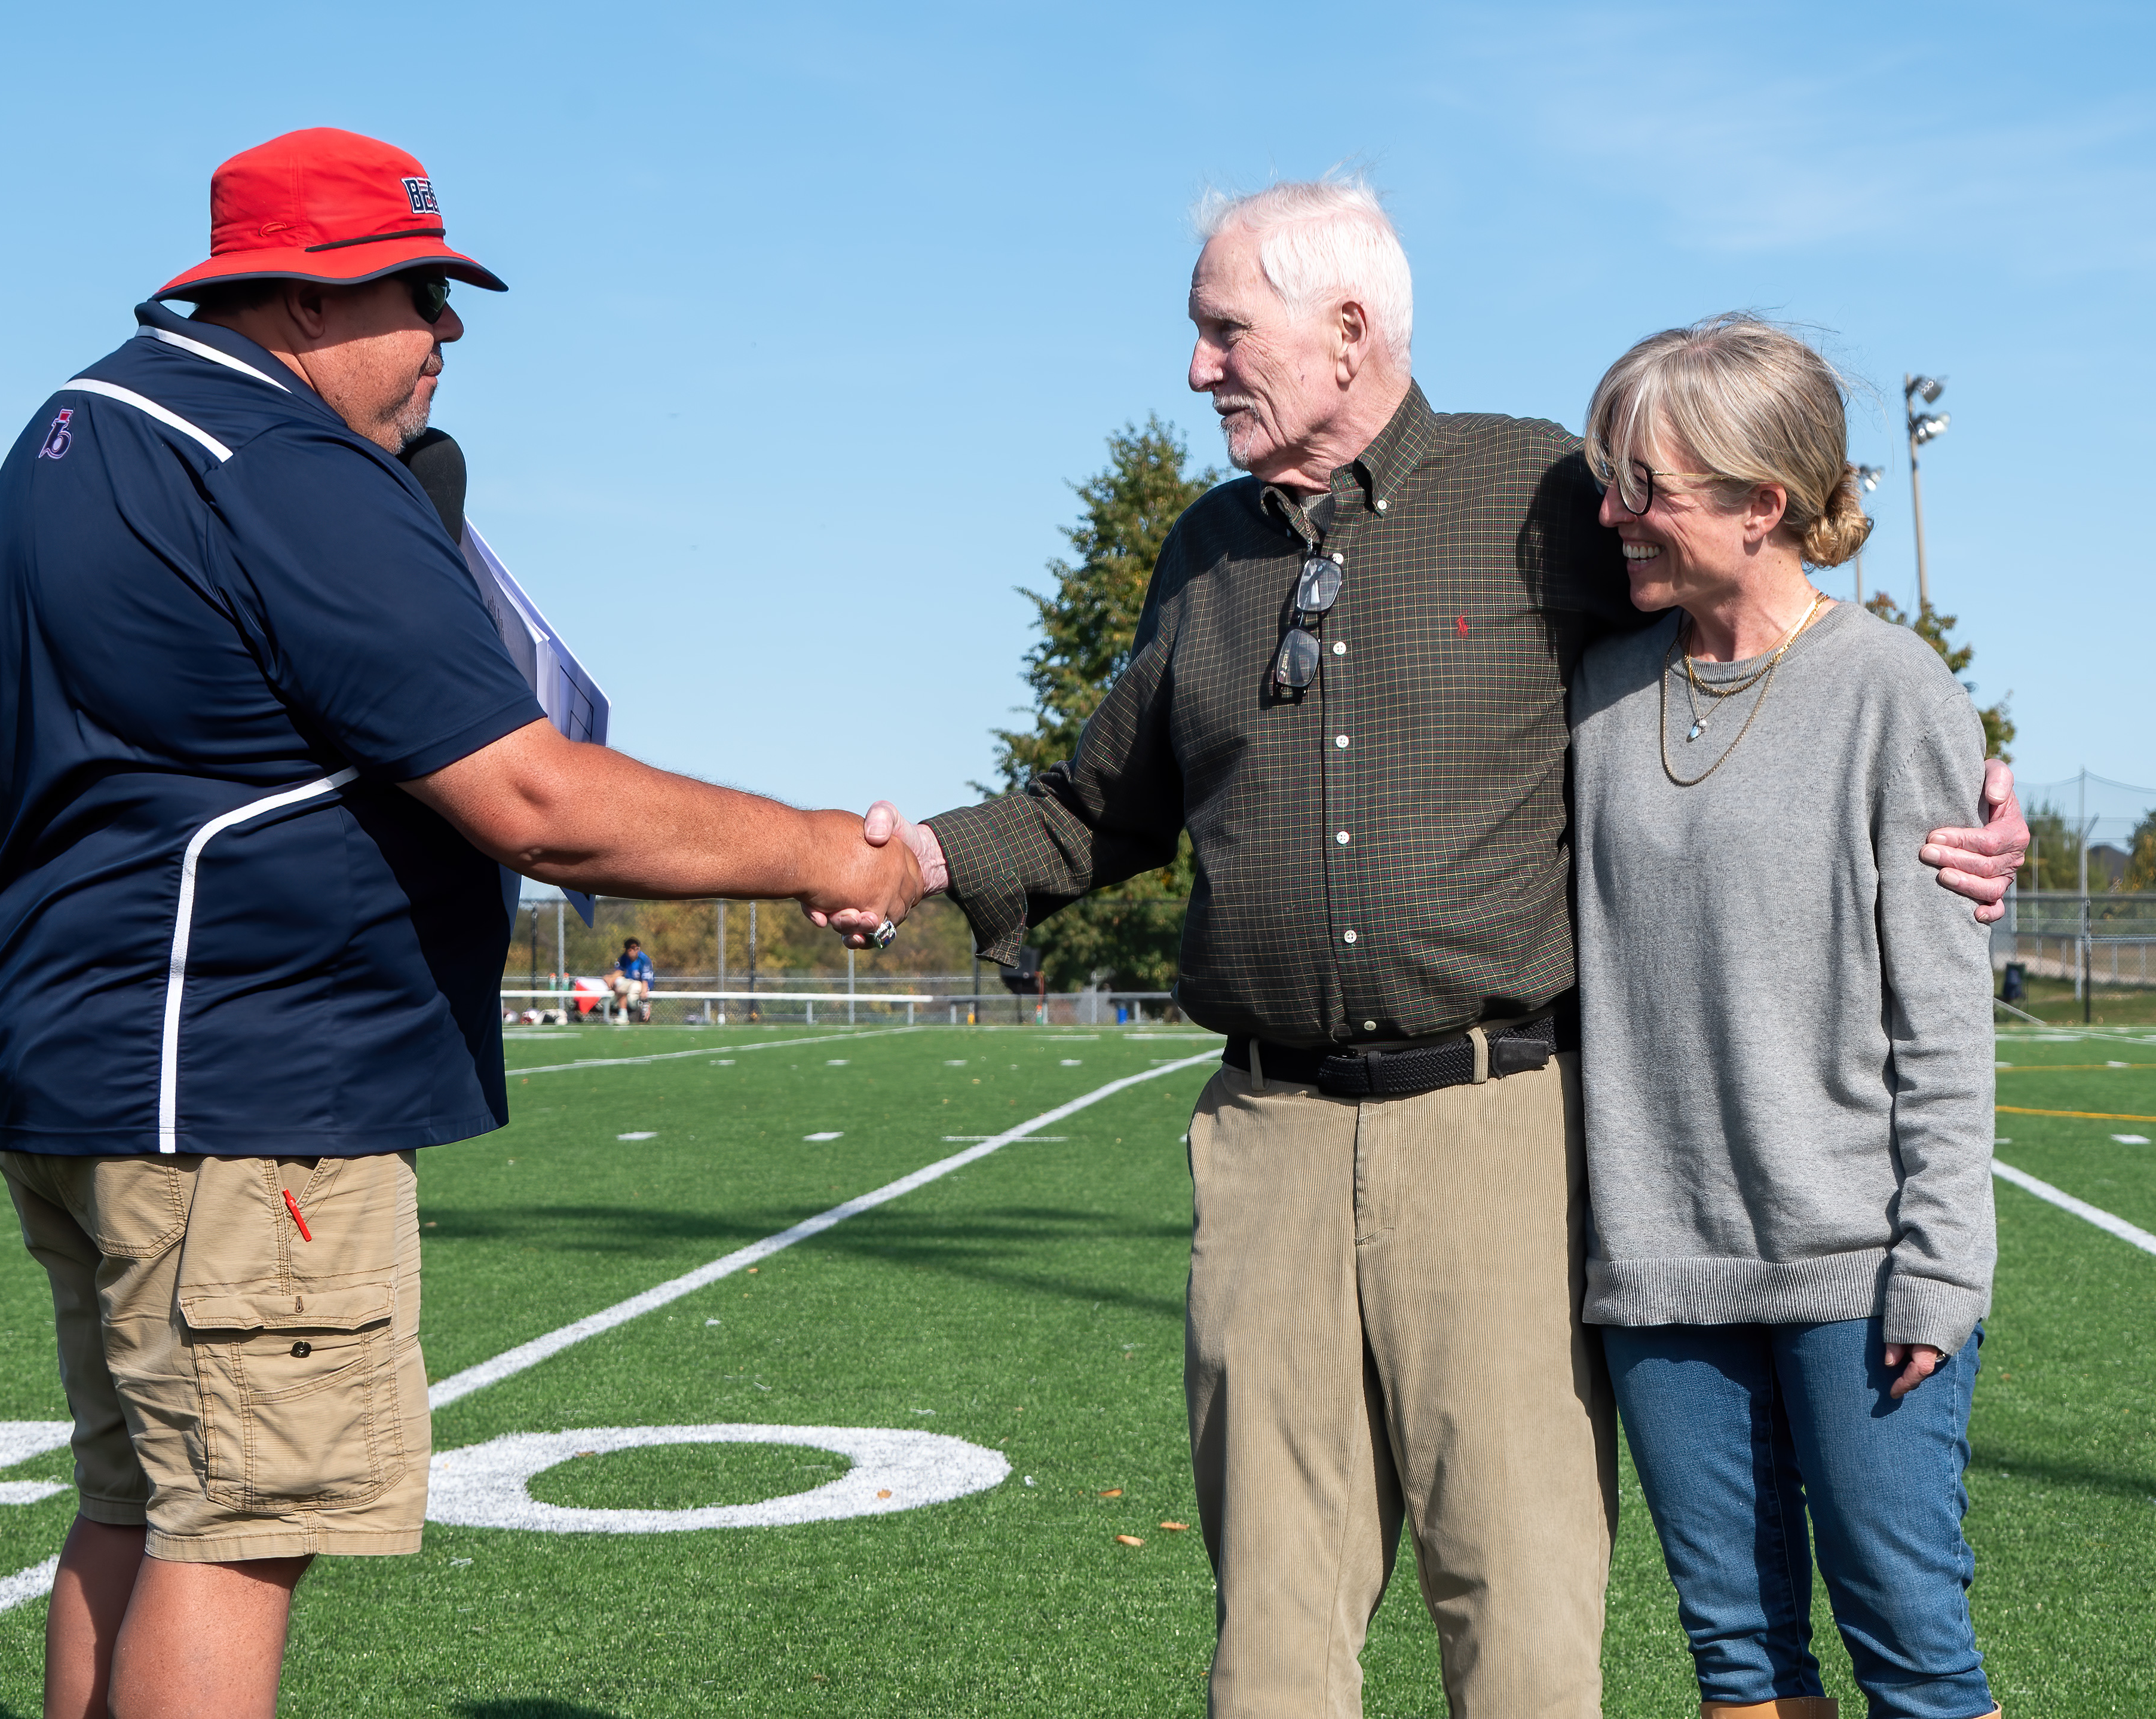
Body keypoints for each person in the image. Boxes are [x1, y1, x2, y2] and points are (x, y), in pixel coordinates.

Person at [842, 174, 2028, 1718]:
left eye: (1225, 331)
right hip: (1316, 1147)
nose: (1198, 367)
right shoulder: (1212, 557)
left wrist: (1973, 796)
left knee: (1549, 1612)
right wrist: (919, 858)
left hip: (1520, 1133)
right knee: (1300, 1620)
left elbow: (1768, 631)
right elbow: (1096, 804)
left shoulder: (1542, 495)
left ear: (1347, 330)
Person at [0, 127, 916, 1719]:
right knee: (241, 1526)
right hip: (251, 1082)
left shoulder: (76, 426)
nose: (447, 329)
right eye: (418, 292)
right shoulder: (278, 462)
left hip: (88, 1052)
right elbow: (535, 798)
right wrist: (824, 845)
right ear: (308, 298)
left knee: (137, 1497)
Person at [1572, 315, 1999, 1719]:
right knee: (1738, 1657)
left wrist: (1941, 1260)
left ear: (1761, 504)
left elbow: (1943, 1017)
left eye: (1644, 486)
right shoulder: (1597, 684)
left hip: (1855, 1270)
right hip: (1658, 1269)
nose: (1610, 514)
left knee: (1910, 1647)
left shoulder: (1891, 687)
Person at [607, 937, 654, 1023]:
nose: (632, 951)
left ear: (638, 949)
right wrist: (610, 978)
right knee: (619, 982)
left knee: (632, 993)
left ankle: (641, 1007)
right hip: (630, 983)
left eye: (634, 948)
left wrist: (644, 994)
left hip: (641, 985)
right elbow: (619, 972)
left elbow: (645, 980)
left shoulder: (644, 960)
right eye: (629, 948)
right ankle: (623, 1016)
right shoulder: (624, 958)